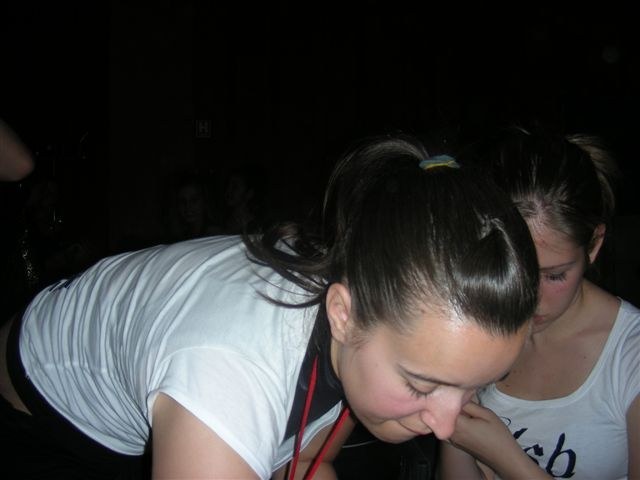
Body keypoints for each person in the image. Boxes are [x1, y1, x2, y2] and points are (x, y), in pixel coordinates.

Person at [0, 133, 539, 480]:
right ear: (343, 314)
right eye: (421, 386)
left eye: (473, 387)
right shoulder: (230, 373)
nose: (447, 426)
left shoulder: (364, 314)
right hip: (37, 415)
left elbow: (304, 463)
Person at [438, 127, 640, 479]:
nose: (530, 299)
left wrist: (507, 460)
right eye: (514, 270)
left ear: (594, 245)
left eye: (555, 275)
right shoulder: (478, 327)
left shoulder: (630, 354)